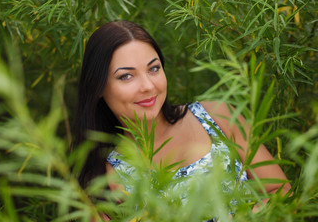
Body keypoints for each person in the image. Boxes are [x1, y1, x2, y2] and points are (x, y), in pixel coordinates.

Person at [74, 20, 291, 218]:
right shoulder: (107, 180)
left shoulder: (217, 116)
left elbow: (281, 191)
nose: (148, 86)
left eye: (154, 68)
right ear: (99, 86)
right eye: (126, 76)